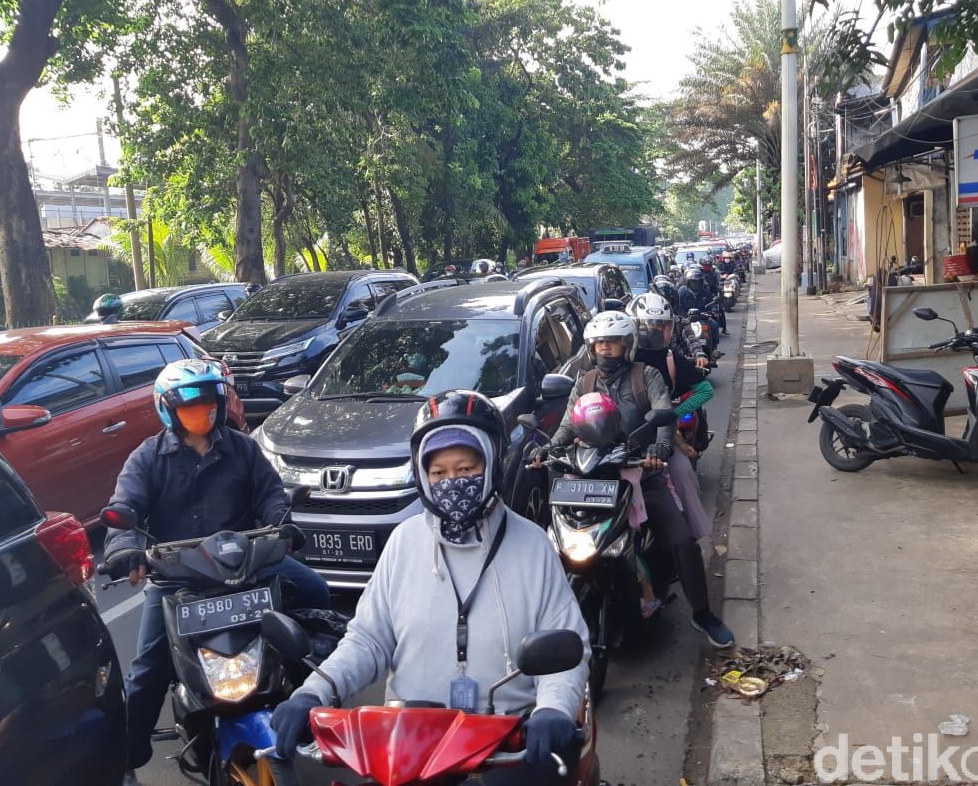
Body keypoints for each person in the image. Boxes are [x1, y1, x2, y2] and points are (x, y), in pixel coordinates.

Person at [270, 390, 589, 784]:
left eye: (467, 468)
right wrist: (315, 691)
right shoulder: (404, 542)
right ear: (423, 475)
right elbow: (369, 639)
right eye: (438, 473)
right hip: (409, 744)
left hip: (507, 743)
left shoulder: (533, 545)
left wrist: (553, 708)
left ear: (491, 464)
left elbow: (566, 645)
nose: (452, 482)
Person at [102, 360, 330, 785]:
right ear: (168, 409)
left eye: (210, 403)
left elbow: (269, 496)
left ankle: (306, 703)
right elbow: (125, 511)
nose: (203, 412)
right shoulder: (147, 458)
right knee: (149, 668)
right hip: (177, 578)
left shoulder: (242, 448)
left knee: (315, 592)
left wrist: (282, 526)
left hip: (248, 565)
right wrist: (126, 550)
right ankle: (125, 763)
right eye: (192, 406)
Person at [537, 312, 733, 649]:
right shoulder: (583, 382)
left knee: (681, 539)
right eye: (600, 343)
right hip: (593, 474)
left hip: (641, 470)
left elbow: (663, 413)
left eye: (613, 343)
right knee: (551, 540)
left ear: (627, 346)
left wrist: (659, 447)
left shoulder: (648, 375)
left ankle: (702, 614)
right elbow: (569, 425)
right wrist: (550, 447)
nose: (606, 349)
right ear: (590, 346)